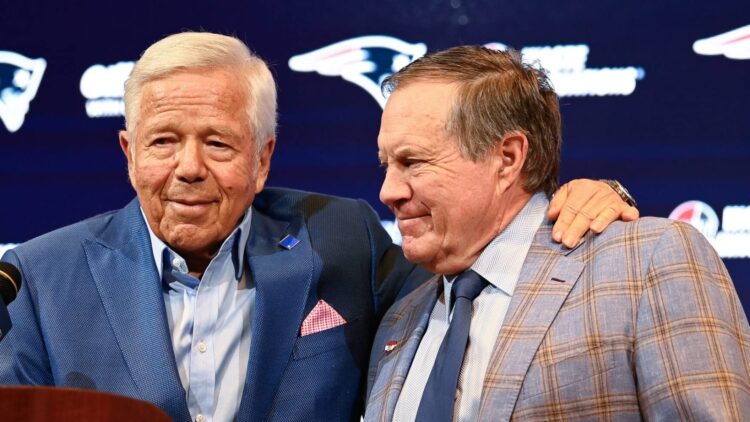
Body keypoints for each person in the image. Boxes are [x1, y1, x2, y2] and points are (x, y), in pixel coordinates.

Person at [0, 33, 635, 421]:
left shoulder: (344, 237)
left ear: (263, 158)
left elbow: (480, 267)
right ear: (128, 153)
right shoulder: (36, 277)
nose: (188, 169)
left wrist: (576, 196)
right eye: (163, 141)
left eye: (218, 143)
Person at [365, 46, 750, 421]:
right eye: (386, 165)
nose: (388, 191)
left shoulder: (647, 262)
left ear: (508, 158)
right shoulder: (399, 319)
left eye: (412, 161)